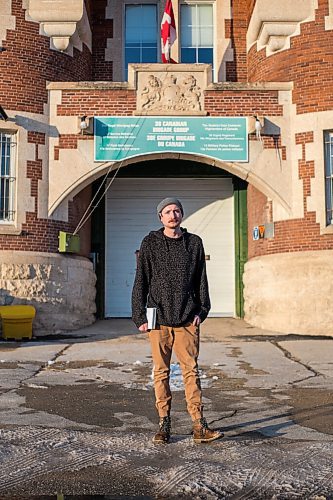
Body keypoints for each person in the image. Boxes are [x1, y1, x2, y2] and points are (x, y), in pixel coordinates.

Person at [132, 197, 223, 444]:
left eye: (177, 211)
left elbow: (200, 280)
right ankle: (164, 424)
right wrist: (139, 315)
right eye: (167, 212)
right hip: (158, 319)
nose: (173, 215)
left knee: (190, 372)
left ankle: (198, 425)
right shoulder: (150, 243)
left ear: (182, 215)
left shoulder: (194, 243)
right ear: (160, 217)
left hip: (186, 319)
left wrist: (202, 311)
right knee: (160, 372)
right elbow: (141, 279)